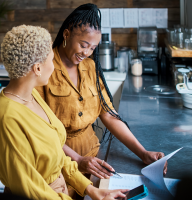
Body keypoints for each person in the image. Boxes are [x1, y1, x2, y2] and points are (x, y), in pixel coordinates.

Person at [35, 3, 167, 196]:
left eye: (93, 48)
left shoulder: (90, 67)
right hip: (58, 160)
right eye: (83, 45)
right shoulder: (45, 67)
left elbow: (109, 115)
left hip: (92, 159)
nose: (87, 53)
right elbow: (39, 128)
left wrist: (143, 153)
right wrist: (77, 159)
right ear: (66, 35)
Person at [0, 25, 128, 200]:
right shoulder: (6, 117)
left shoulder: (31, 96)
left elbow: (56, 154)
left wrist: (91, 190)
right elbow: (31, 190)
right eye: (52, 60)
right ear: (38, 68)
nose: (54, 68)